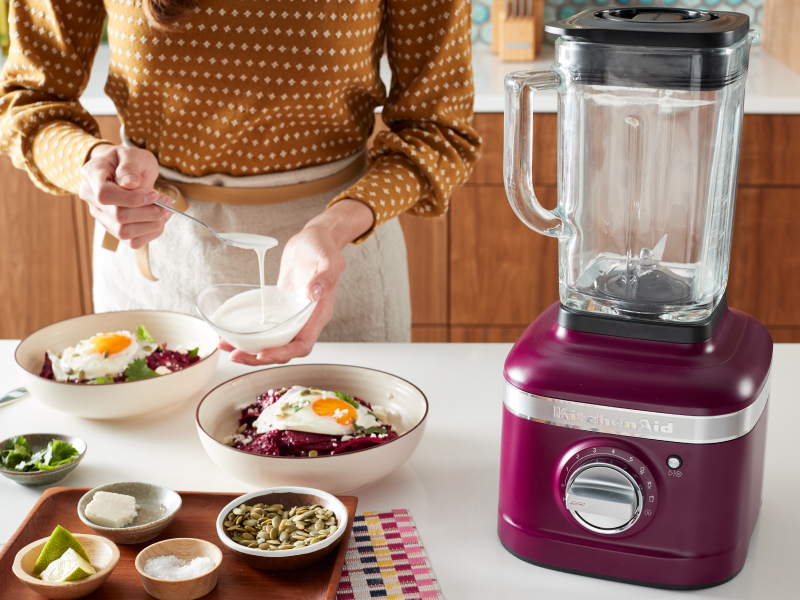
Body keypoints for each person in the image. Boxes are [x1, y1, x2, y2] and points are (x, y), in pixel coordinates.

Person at [0, 0, 480, 365]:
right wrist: (91, 164)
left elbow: (438, 128)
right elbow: (32, 101)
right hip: (157, 261)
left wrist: (334, 227)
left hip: (334, 262)